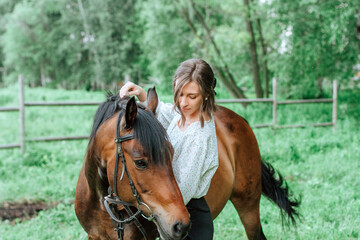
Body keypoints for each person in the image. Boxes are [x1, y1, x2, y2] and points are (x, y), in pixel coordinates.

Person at [119, 59, 218, 240]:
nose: (183, 102)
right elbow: (166, 113)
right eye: (179, 94)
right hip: (171, 208)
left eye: (192, 96)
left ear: (207, 93)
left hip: (186, 220)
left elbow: (183, 191)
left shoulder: (200, 137)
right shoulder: (185, 113)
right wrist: (142, 94)